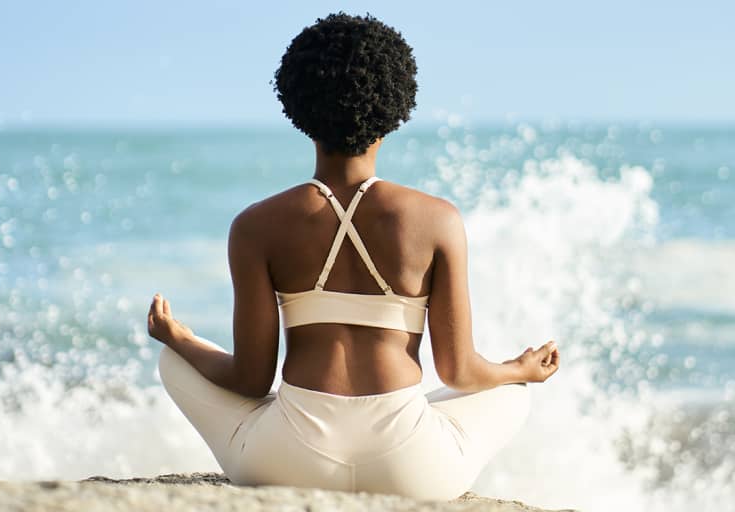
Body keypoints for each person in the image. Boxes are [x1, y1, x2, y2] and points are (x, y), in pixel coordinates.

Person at [147, 12, 560, 501]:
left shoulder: (256, 225)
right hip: (411, 467)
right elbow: (459, 373)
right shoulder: (437, 220)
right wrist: (520, 368)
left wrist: (181, 339)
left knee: (174, 363)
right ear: (395, 108)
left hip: (288, 461)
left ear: (299, 108)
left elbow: (251, 381)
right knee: (510, 394)